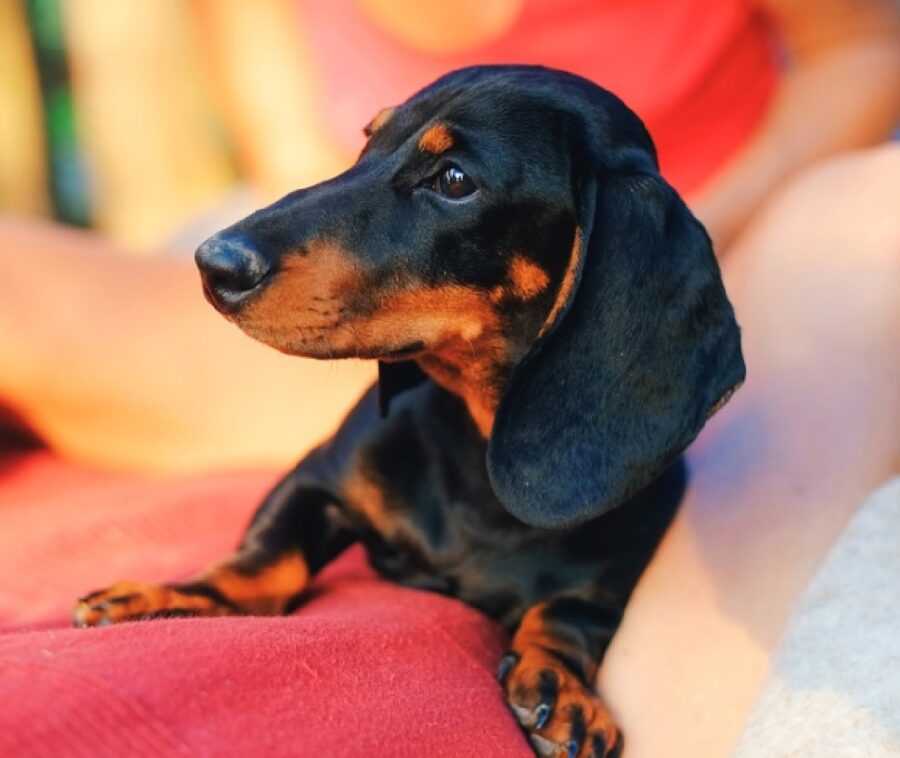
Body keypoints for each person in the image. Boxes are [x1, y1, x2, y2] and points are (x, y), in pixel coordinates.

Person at [1, 1, 898, 755]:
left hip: (711, 263)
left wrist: (660, 283)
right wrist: (337, 285)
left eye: (456, 173)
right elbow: (296, 160)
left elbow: (865, 50)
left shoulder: (634, 251)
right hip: (380, 294)